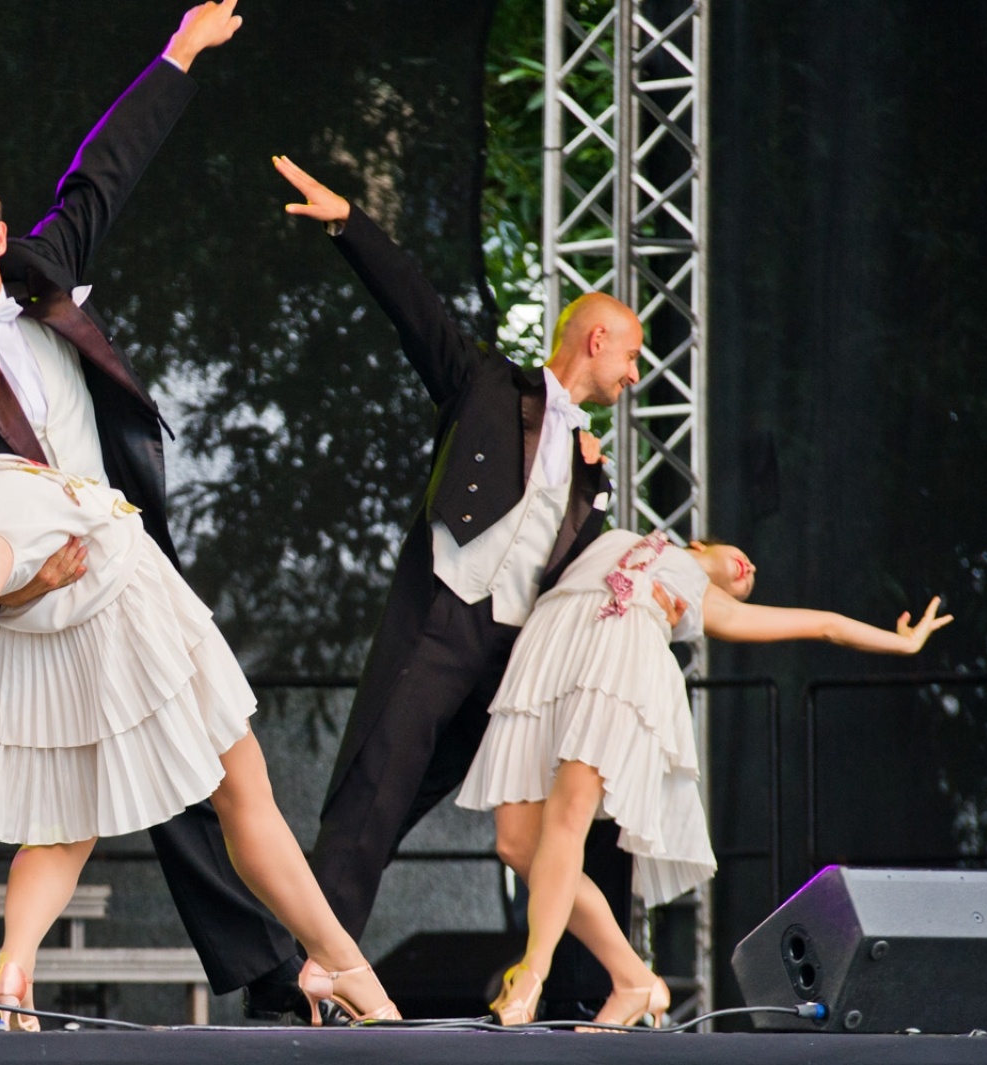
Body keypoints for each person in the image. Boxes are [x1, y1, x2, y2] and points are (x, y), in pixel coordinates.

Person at [0, 1, 306, 1016]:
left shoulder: (45, 271)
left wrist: (179, 55)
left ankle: (276, 982)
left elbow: (107, 168)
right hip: (13, 600)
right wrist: (18, 583)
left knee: (185, 770)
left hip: (113, 566)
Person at [0, 452, 401, 1030]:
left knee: (65, 824)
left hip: (71, 620)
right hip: (118, 609)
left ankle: (13, 977)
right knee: (241, 790)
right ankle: (342, 965)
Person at [272, 155, 642, 1010]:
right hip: (447, 619)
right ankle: (313, 965)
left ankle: (594, 987)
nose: (633, 376)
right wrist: (348, 223)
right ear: (596, 339)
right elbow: (416, 307)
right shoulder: (485, 386)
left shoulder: (593, 467)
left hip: (517, 657)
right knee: (377, 787)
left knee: (559, 810)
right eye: (630, 356)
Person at [455, 528, 951, 1027]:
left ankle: (529, 980)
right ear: (700, 545)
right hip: (551, 650)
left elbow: (821, 625)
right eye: (745, 560)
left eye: (746, 586)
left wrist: (902, 642)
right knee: (517, 844)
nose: (748, 572)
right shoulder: (624, 535)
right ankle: (633, 979)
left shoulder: (698, 597)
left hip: (616, 663)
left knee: (567, 818)